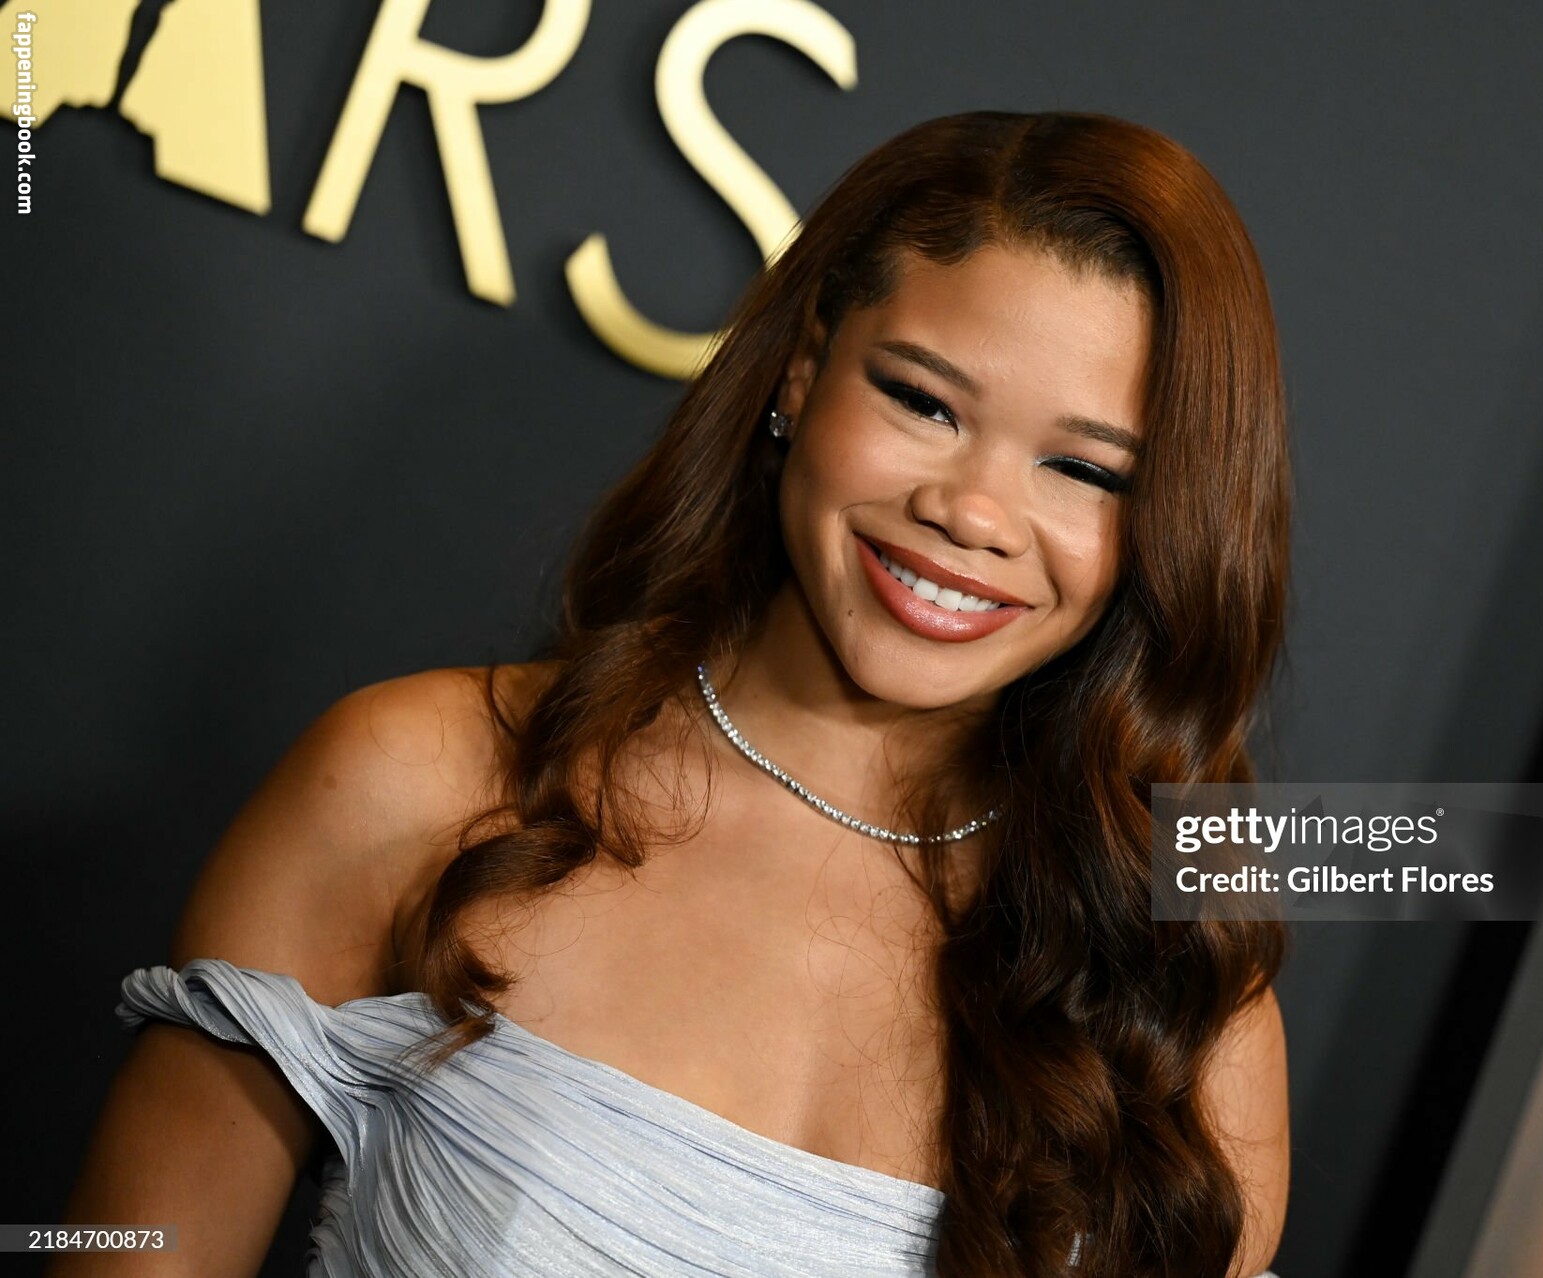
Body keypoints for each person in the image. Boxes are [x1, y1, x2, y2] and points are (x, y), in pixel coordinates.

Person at [56, 109, 1293, 1278]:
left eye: (1086, 470)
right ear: (802, 371)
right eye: (922, 401)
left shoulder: (1176, 976)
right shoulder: (415, 778)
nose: (973, 512)